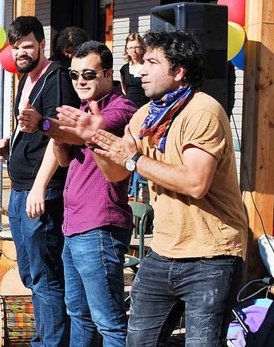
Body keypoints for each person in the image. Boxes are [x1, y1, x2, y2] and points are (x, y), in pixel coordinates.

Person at [90, 29, 248, 346]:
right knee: (138, 341)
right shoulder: (147, 114)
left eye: (151, 62)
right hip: (163, 253)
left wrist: (132, 158)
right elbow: (116, 173)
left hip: (212, 255)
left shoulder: (203, 111)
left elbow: (195, 182)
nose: (140, 70)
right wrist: (93, 139)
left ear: (178, 71)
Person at [30, 41, 136, 346]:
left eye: (88, 74)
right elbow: (65, 157)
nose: (80, 82)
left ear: (108, 73)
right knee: (79, 313)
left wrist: (45, 124)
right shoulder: (79, 110)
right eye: (75, 76)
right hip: (74, 224)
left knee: (109, 322)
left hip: (100, 225)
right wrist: (56, 134)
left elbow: (90, 131)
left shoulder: (121, 107)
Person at [0, 16, 80, 346]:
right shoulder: (27, 79)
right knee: (29, 273)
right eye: (16, 48)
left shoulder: (55, 77)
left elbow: (59, 135)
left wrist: (41, 186)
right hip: (19, 188)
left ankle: (49, 342)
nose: (21, 52)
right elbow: (30, 126)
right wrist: (8, 141)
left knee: (45, 275)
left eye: (27, 45)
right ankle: (45, 338)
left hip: (39, 191)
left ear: (42, 44)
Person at [119, 32, 148, 109]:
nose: (134, 51)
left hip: (145, 108)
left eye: (137, 47)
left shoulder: (148, 66)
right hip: (129, 109)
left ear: (142, 48)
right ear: (127, 50)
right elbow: (125, 90)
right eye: (131, 48)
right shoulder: (124, 69)